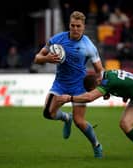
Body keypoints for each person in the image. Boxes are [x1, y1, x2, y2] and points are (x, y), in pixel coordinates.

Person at [34, 11, 104, 158]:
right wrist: (47, 58)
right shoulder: (57, 39)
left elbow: (99, 70)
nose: (75, 29)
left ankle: (96, 145)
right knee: (48, 113)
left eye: (78, 26)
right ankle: (66, 118)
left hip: (78, 87)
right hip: (60, 84)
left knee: (80, 122)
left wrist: (103, 87)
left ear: (84, 27)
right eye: (73, 25)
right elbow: (37, 58)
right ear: (69, 25)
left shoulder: (89, 46)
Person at [56, 69, 133, 160]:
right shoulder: (109, 75)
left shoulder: (107, 82)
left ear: (96, 83)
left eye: (94, 90)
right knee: (125, 124)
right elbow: (128, 82)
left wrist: (69, 98)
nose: (97, 92)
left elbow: (89, 97)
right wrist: (124, 94)